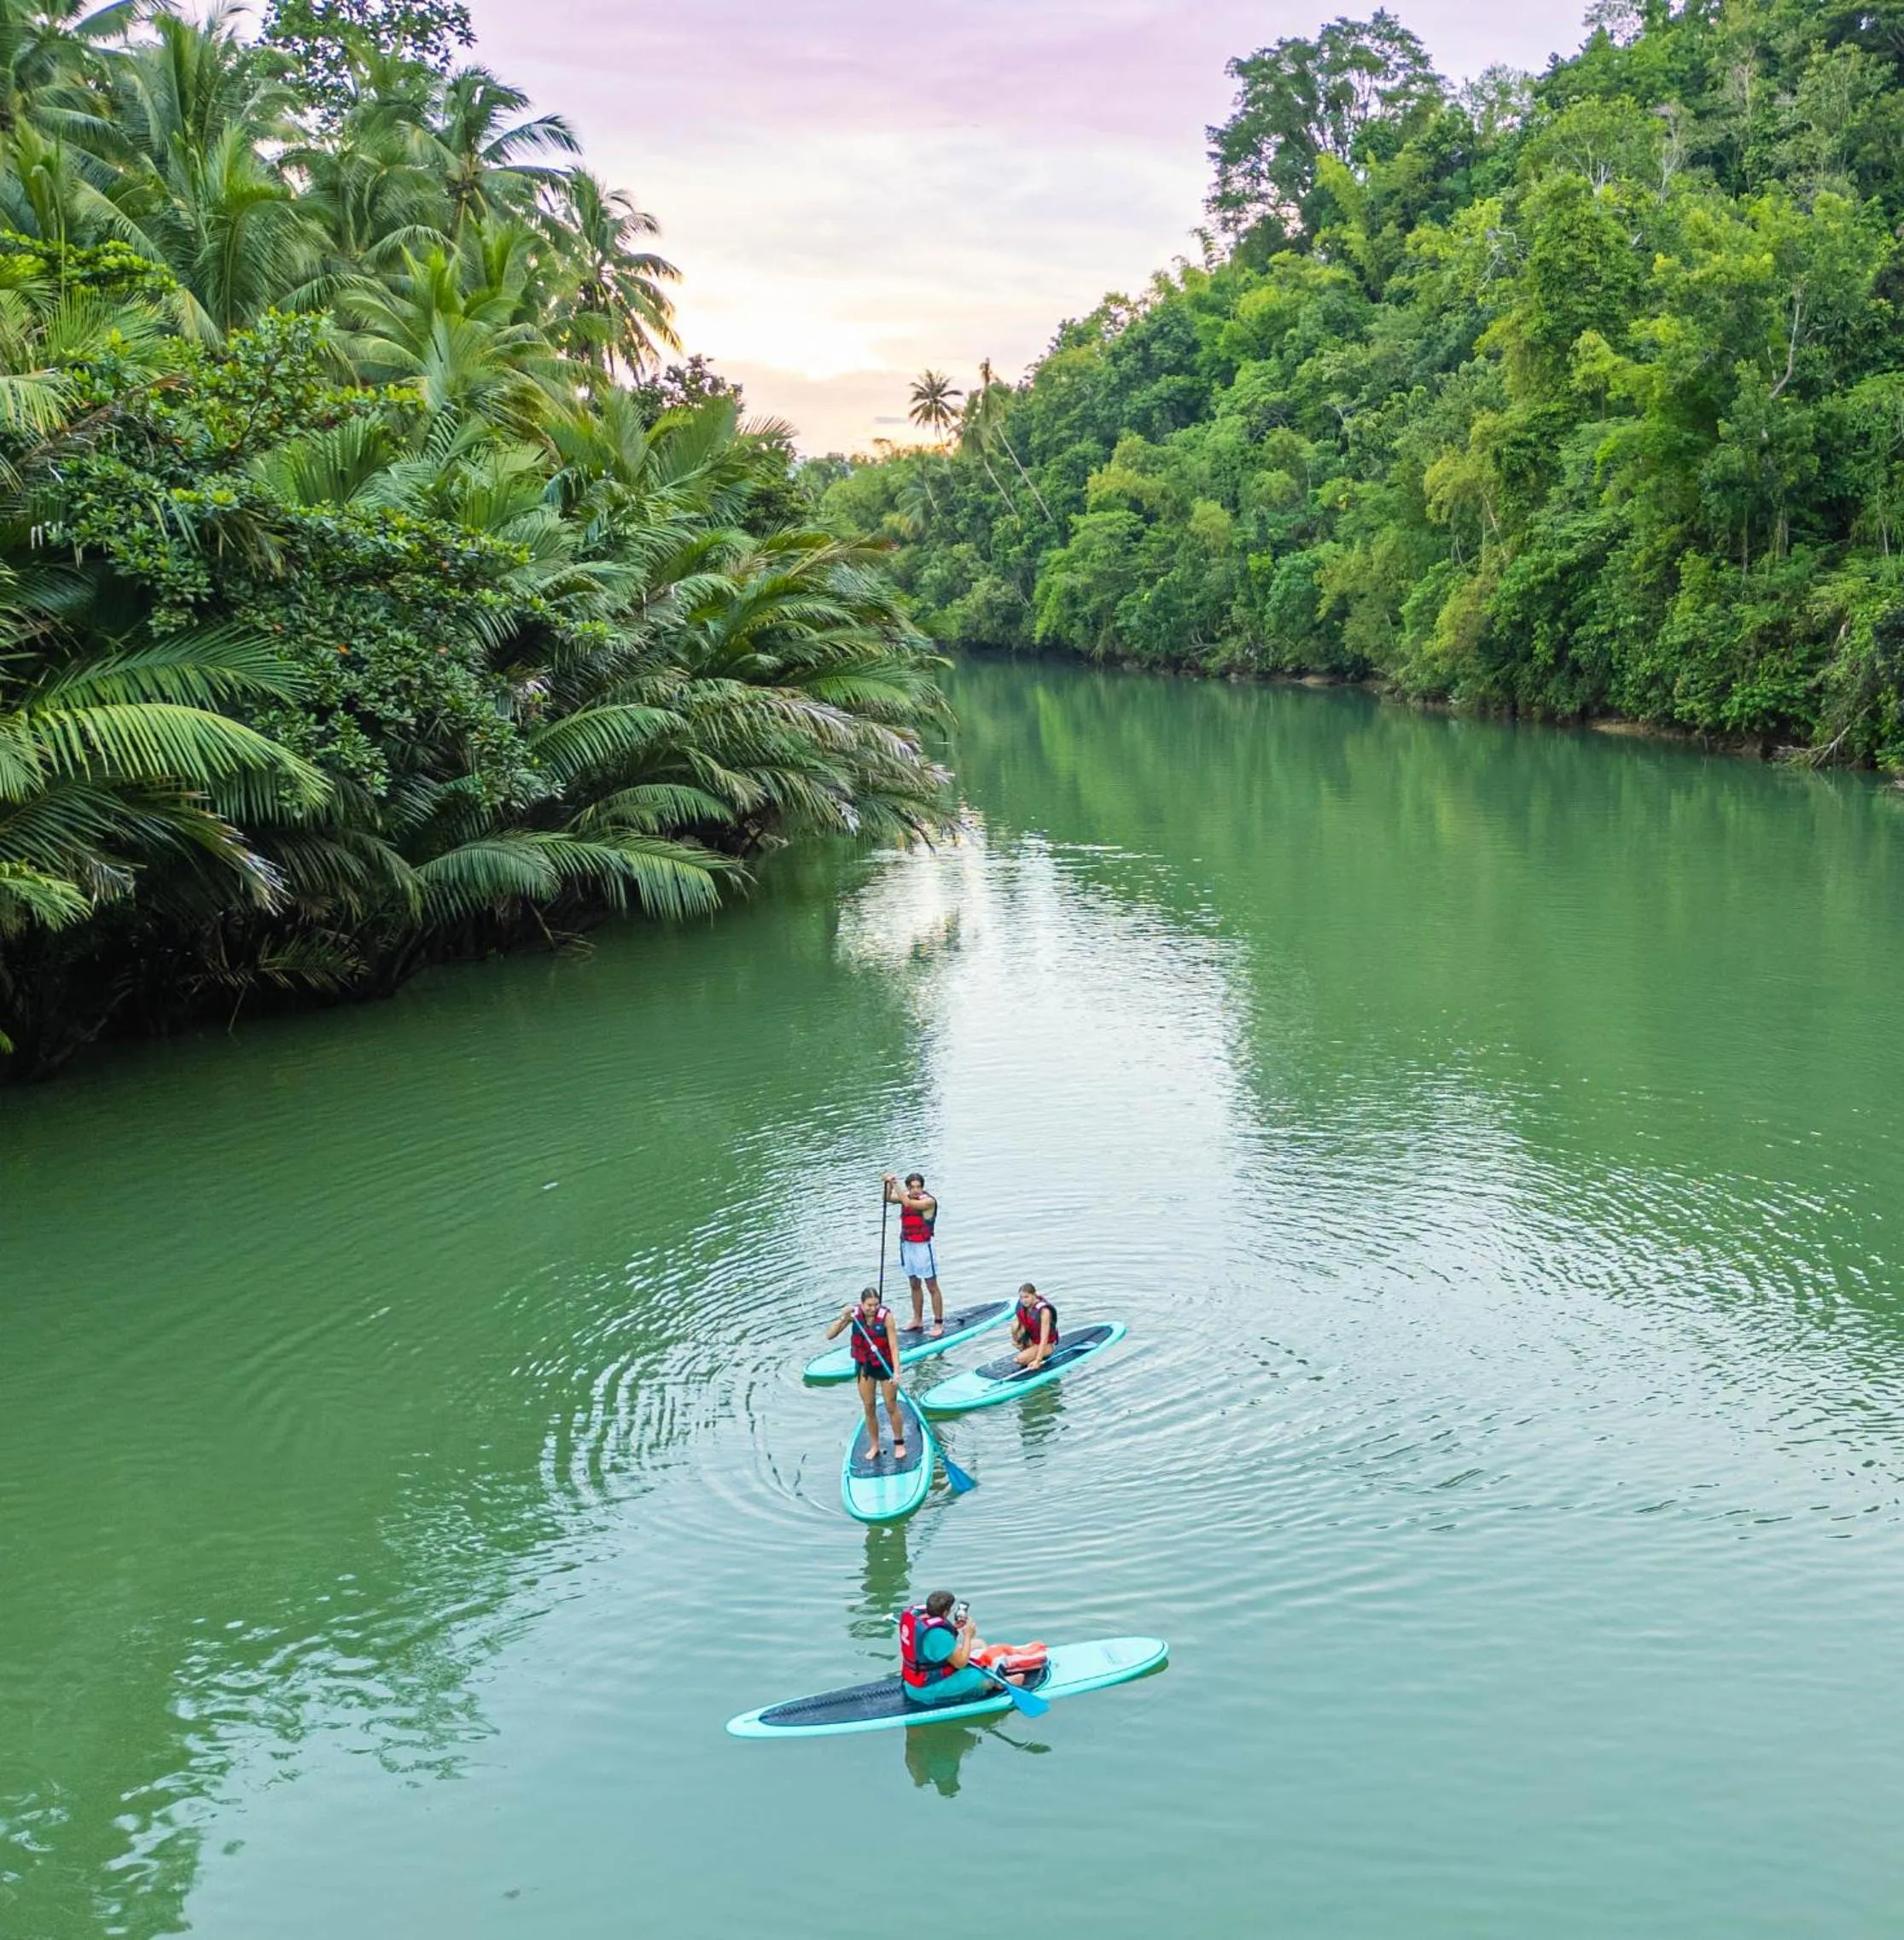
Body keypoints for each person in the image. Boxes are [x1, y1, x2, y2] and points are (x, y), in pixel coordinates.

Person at [899, 1591, 1045, 1705]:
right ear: (946, 1612)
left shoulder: (917, 1619)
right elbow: (960, 1663)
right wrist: (968, 1635)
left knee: (979, 1644)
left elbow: (934, 1642)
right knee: (984, 1677)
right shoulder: (938, 1634)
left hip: (913, 1678)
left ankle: (995, 1665)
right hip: (927, 1688)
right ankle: (997, 1683)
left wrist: (954, 1628)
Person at [826, 1285, 905, 1462]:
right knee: (869, 1406)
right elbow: (829, 1335)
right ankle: (875, 1445)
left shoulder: (886, 1317)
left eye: (876, 1305)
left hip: (885, 1366)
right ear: (862, 1304)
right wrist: (843, 1317)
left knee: (891, 1405)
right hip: (865, 1367)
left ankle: (899, 1443)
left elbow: (894, 1346)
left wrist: (897, 1372)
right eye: (869, 1305)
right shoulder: (854, 1315)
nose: (873, 1308)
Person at [883, 1171, 944, 1337]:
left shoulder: (928, 1201)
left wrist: (895, 1184)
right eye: (912, 1187)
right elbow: (888, 1199)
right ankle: (917, 1319)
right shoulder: (906, 1197)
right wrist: (889, 1185)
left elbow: (908, 1204)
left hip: (924, 1247)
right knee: (914, 1284)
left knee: (931, 1285)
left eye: (918, 1187)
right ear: (908, 1188)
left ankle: (938, 1323)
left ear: (923, 1187)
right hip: (908, 1245)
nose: (916, 1190)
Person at [1010, 1281, 1059, 1371]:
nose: (1024, 1300)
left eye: (1026, 1297)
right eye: (1021, 1297)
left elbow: (1044, 1338)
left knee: (1020, 1360)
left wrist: (1038, 1360)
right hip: (1033, 1341)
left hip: (1046, 1344)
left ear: (1034, 1295)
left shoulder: (1044, 1311)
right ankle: (1031, 1352)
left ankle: (1041, 1354)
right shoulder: (1024, 1306)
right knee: (1015, 1325)